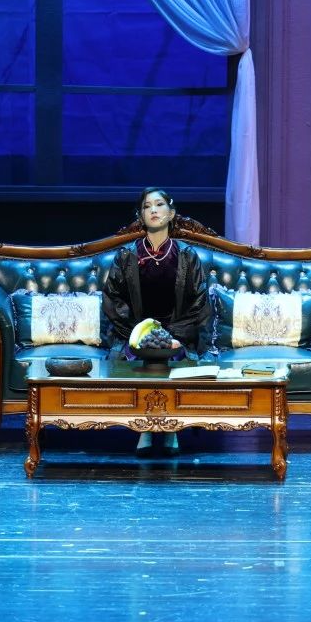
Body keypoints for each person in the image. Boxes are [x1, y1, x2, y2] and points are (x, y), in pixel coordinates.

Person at [103, 187, 212, 456]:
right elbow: (113, 298)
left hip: (178, 330)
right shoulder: (126, 255)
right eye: (147, 206)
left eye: (159, 204)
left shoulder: (187, 256)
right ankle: (145, 428)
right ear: (140, 216)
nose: (153, 210)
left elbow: (199, 302)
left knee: (173, 356)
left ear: (171, 213)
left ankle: (171, 427)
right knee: (140, 358)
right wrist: (138, 333)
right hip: (136, 331)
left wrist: (173, 335)